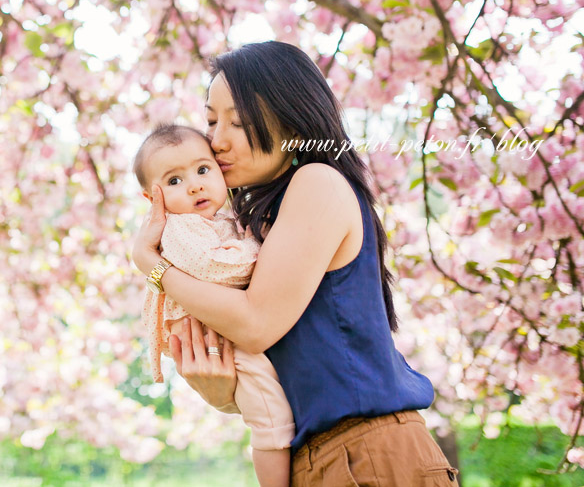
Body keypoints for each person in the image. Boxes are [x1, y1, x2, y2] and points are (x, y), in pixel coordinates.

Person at [132, 41, 459, 486]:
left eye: (239, 123)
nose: (217, 140)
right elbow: (280, 368)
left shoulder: (317, 182)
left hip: (368, 454)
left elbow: (255, 324)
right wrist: (219, 391)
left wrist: (152, 265)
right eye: (211, 120)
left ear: (291, 122)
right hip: (320, 458)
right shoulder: (255, 224)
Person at [134, 123, 295, 487]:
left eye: (203, 170)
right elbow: (218, 268)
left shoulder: (225, 216)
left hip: (225, 323)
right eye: (174, 181)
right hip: (211, 331)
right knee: (269, 411)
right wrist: (263, 247)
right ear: (152, 198)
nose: (194, 185)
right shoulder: (180, 228)